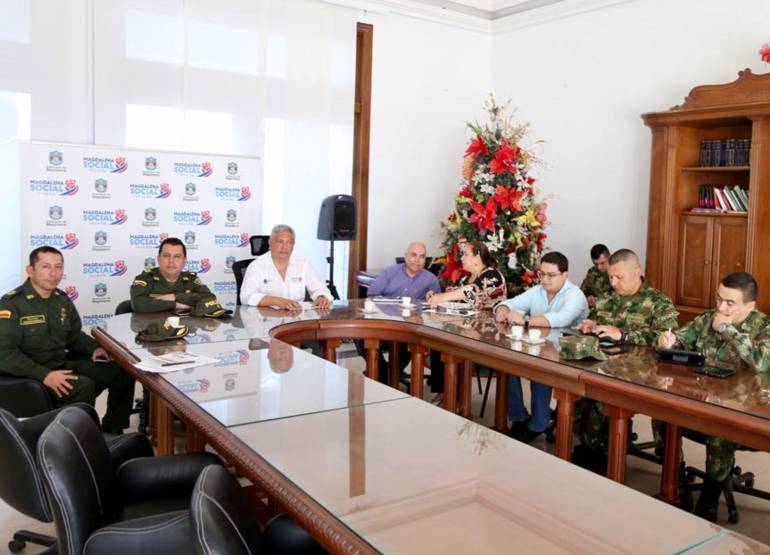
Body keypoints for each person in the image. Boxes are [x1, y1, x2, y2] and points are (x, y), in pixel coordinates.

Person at [656, 272, 770, 521]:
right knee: (661, 414)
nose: (721, 307)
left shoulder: (764, 328)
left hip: (743, 409)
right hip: (700, 397)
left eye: (730, 303)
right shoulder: (708, 317)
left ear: (750, 306)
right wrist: (669, 340)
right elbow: (683, 340)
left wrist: (728, 330)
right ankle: (676, 483)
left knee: (719, 429)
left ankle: (708, 500)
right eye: (719, 299)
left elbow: (760, 363)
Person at [0, 246, 135, 433]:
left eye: (58, 267)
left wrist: (95, 348)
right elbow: (5, 354)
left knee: (121, 371)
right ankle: (74, 438)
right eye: (46, 267)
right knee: (83, 386)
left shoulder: (62, 300)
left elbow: (74, 336)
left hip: (59, 365)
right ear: (30, 270)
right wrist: (45, 376)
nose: (53, 273)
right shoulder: (12, 304)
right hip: (31, 376)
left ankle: (112, 431)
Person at [571, 248, 679, 468]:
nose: (613, 283)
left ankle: (607, 454)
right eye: (610, 277)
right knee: (575, 393)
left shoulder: (658, 302)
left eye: (619, 277)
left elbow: (668, 339)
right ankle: (591, 449)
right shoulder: (607, 298)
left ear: (637, 272)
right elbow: (596, 321)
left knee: (603, 400)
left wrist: (623, 334)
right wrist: (590, 325)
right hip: (605, 367)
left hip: (645, 374)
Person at [494, 252, 589, 443]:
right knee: (507, 365)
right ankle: (519, 417)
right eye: (541, 274)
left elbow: (561, 319)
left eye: (551, 275)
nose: (545, 279)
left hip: (569, 356)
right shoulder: (538, 290)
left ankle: (538, 423)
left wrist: (526, 319)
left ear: (565, 275)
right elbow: (509, 303)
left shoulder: (575, 295)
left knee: (541, 368)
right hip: (538, 348)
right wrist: (503, 310)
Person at [427, 241, 505, 402]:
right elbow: (458, 299)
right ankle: (444, 390)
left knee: (454, 341)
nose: (462, 258)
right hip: (468, 327)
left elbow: (471, 292)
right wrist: (436, 296)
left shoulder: (491, 275)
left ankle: (455, 397)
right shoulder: (465, 280)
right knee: (437, 337)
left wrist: (442, 297)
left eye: (466, 254)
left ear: (477, 257)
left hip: (490, 331)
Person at [360, 241, 440, 383]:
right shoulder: (390, 272)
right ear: (405, 256)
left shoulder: (431, 280)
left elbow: (435, 307)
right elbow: (372, 294)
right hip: (384, 323)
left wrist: (427, 302)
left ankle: (388, 375)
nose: (417, 260)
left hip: (409, 327)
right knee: (359, 336)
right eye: (414, 255)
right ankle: (384, 373)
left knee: (412, 341)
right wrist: (392, 305)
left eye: (422, 256)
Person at [240, 224, 333, 310]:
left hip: (296, 319)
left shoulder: (303, 265)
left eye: (289, 242)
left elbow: (320, 289)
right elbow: (246, 296)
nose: (284, 247)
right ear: (270, 242)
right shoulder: (256, 266)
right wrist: (278, 301)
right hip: (266, 320)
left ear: (293, 245)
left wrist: (321, 297)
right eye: (280, 242)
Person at [131, 237, 216, 313]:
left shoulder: (191, 279)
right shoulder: (146, 277)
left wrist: (175, 296)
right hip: (154, 329)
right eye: (166, 255)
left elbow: (210, 298)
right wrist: (176, 305)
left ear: (184, 260)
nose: (171, 260)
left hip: (184, 328)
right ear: (159, 259)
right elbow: (138, 305)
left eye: (177, 256)